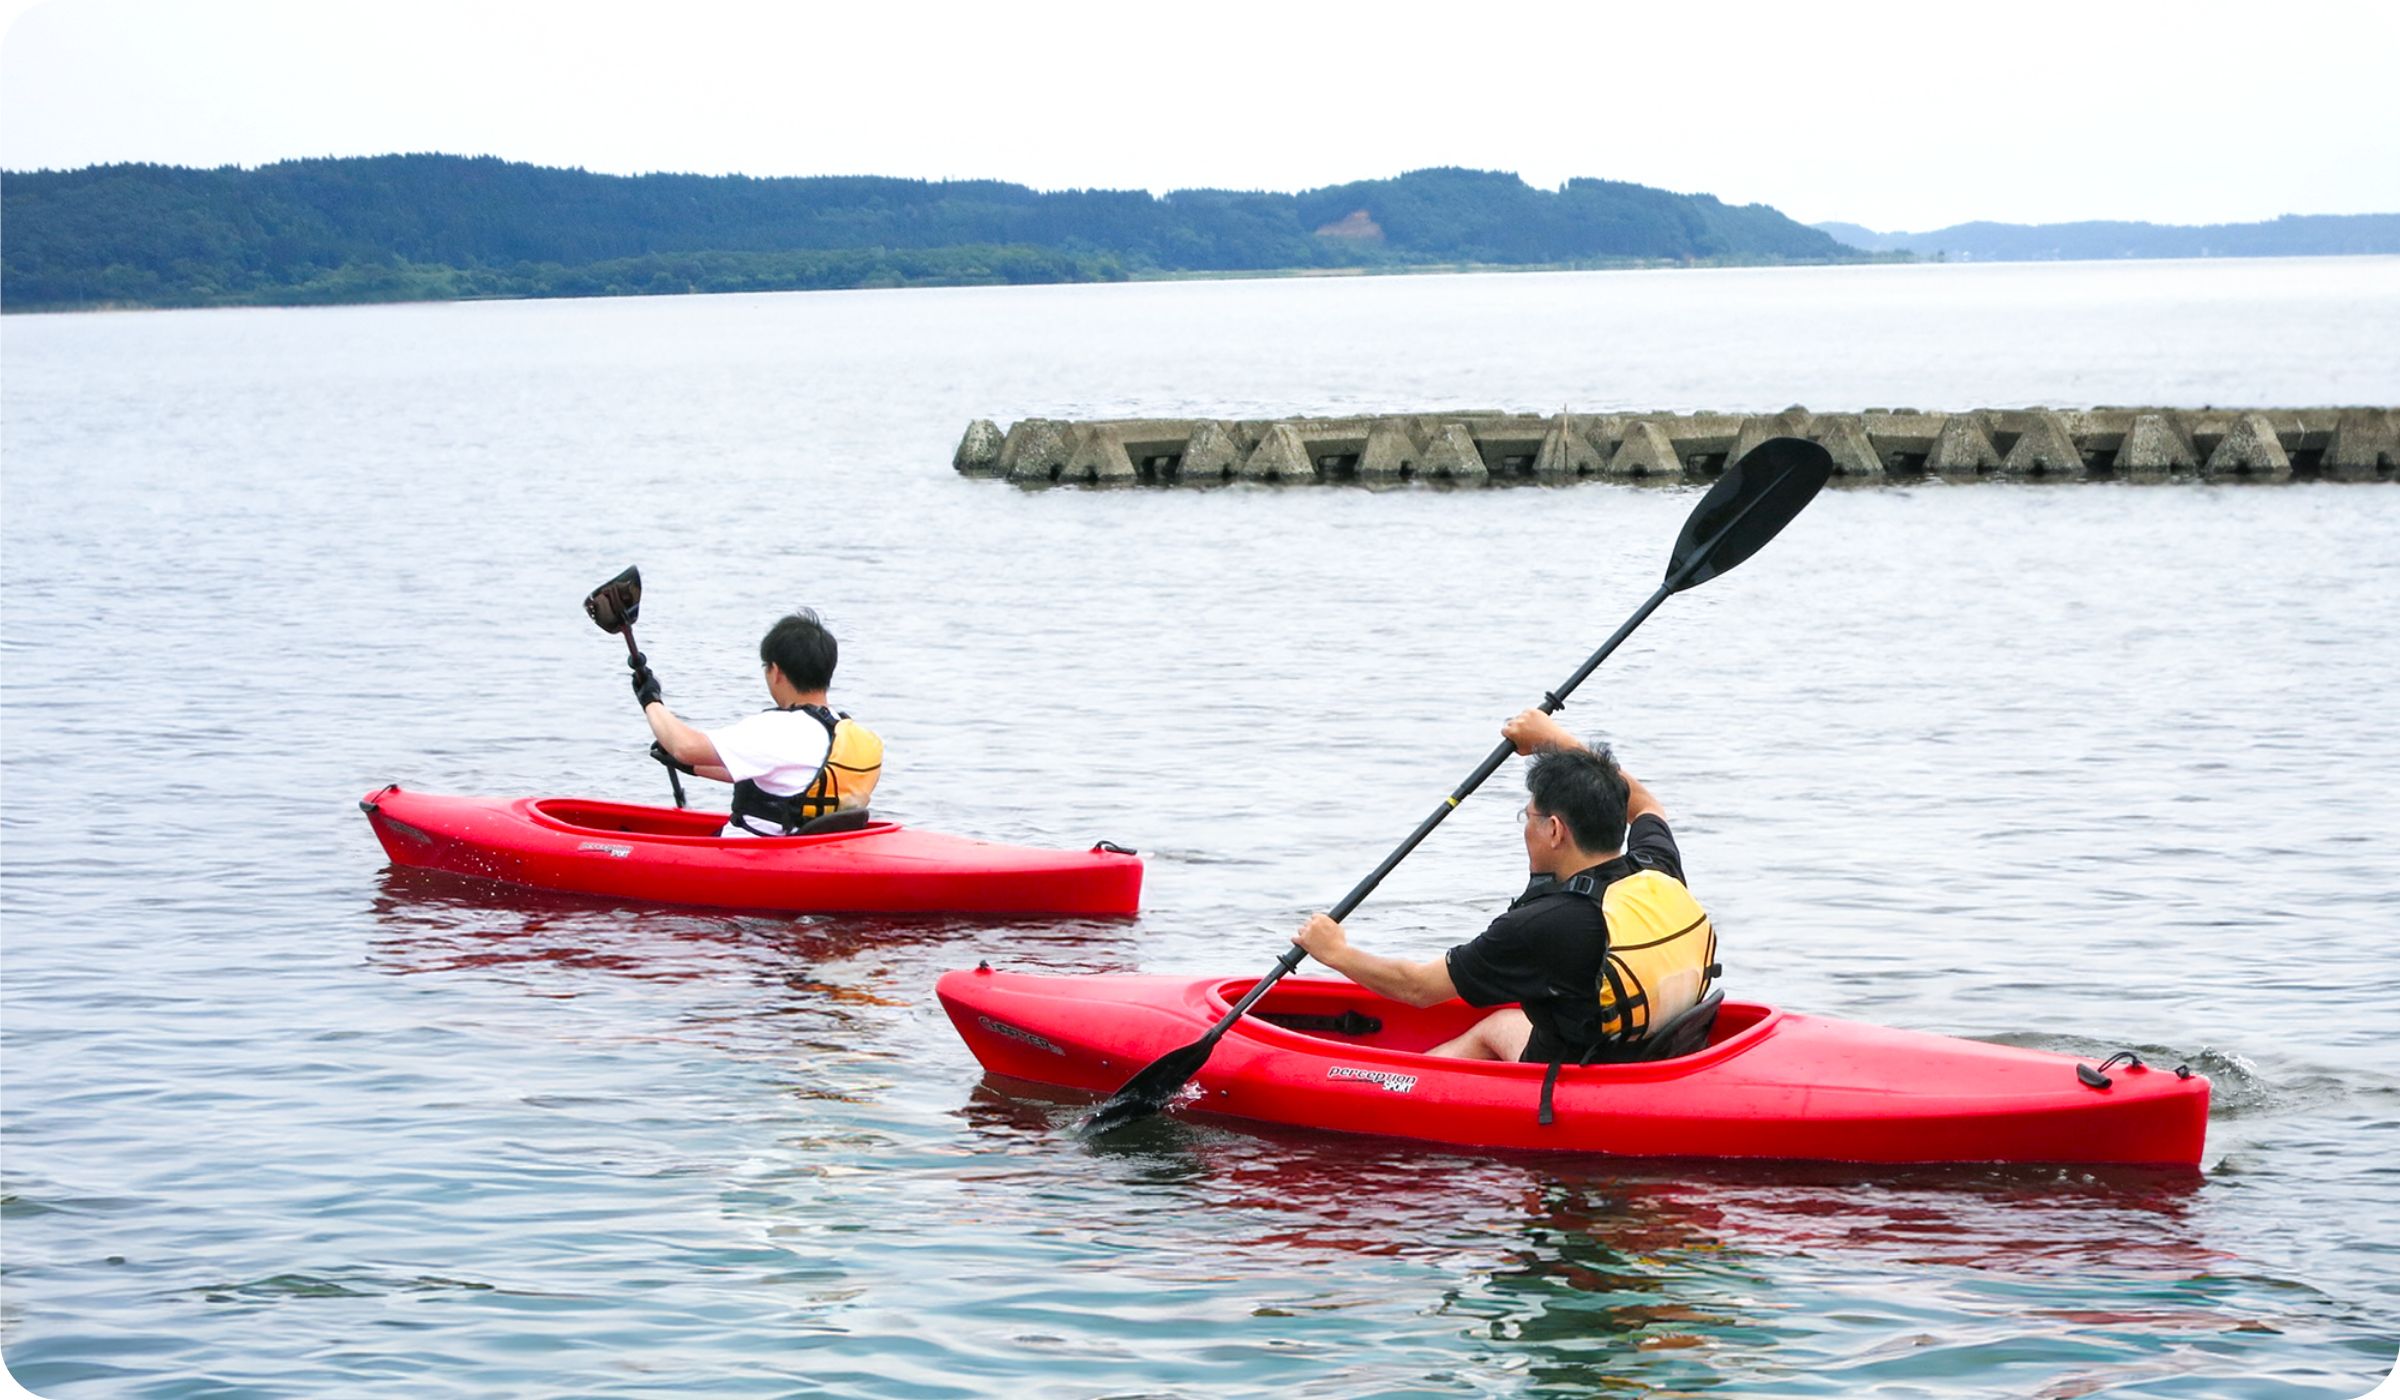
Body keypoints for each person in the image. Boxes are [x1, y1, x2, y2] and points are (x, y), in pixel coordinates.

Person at [1291, 709, 1715, 1065]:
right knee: (1496, 1026)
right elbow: (1644, 803)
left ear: (1553, 830)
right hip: (1647, 1054)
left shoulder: (1544, 925)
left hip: (1576, 1078)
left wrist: (1335, 953)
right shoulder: (1656, 868)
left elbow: (1417, 988)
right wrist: (1555, 739)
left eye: (1527, 817)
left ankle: (1394, 1099)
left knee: (1492, 1028)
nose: (1525, 829)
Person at [631, 609, 883, 837]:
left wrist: (651, 700)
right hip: (815, 848)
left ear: (776, 671)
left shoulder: (779, 728)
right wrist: (691, 767)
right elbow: (779, 778)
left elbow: (684, 746)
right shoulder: (841, 730)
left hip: (750, 857)